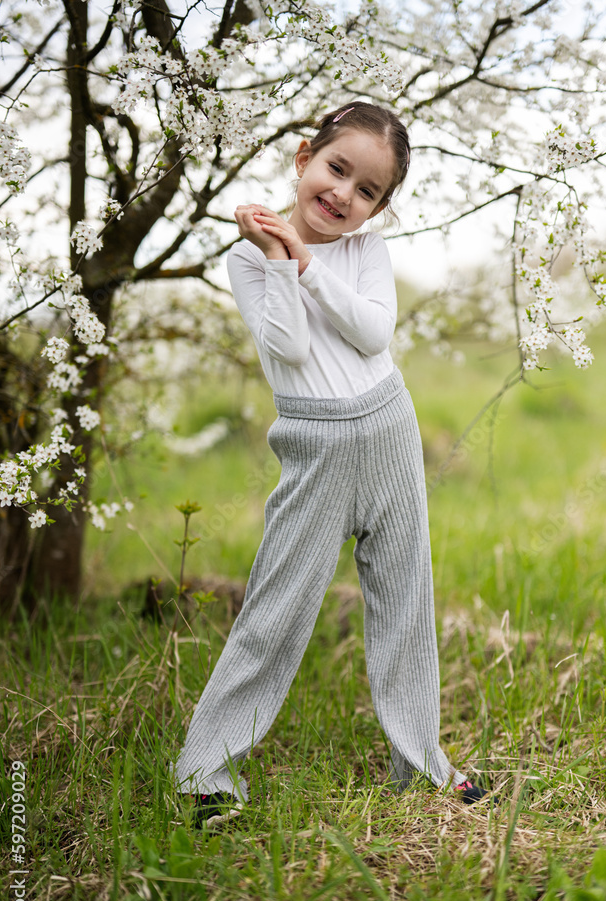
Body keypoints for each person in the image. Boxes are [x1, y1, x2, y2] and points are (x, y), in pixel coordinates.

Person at [168, 101, 496, 830]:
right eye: (336, 168)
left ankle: (421, 766)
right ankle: (205, 773)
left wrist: (309, 260)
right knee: (275, 607)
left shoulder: (363, 254)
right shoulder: (247, 258)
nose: (344, 193)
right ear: (302, 158)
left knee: (404, 600)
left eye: (367, 190)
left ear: (378, 206)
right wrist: (282, 257)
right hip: (314, 448)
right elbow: (285, 346)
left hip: (387, 431)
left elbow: (372, 329)